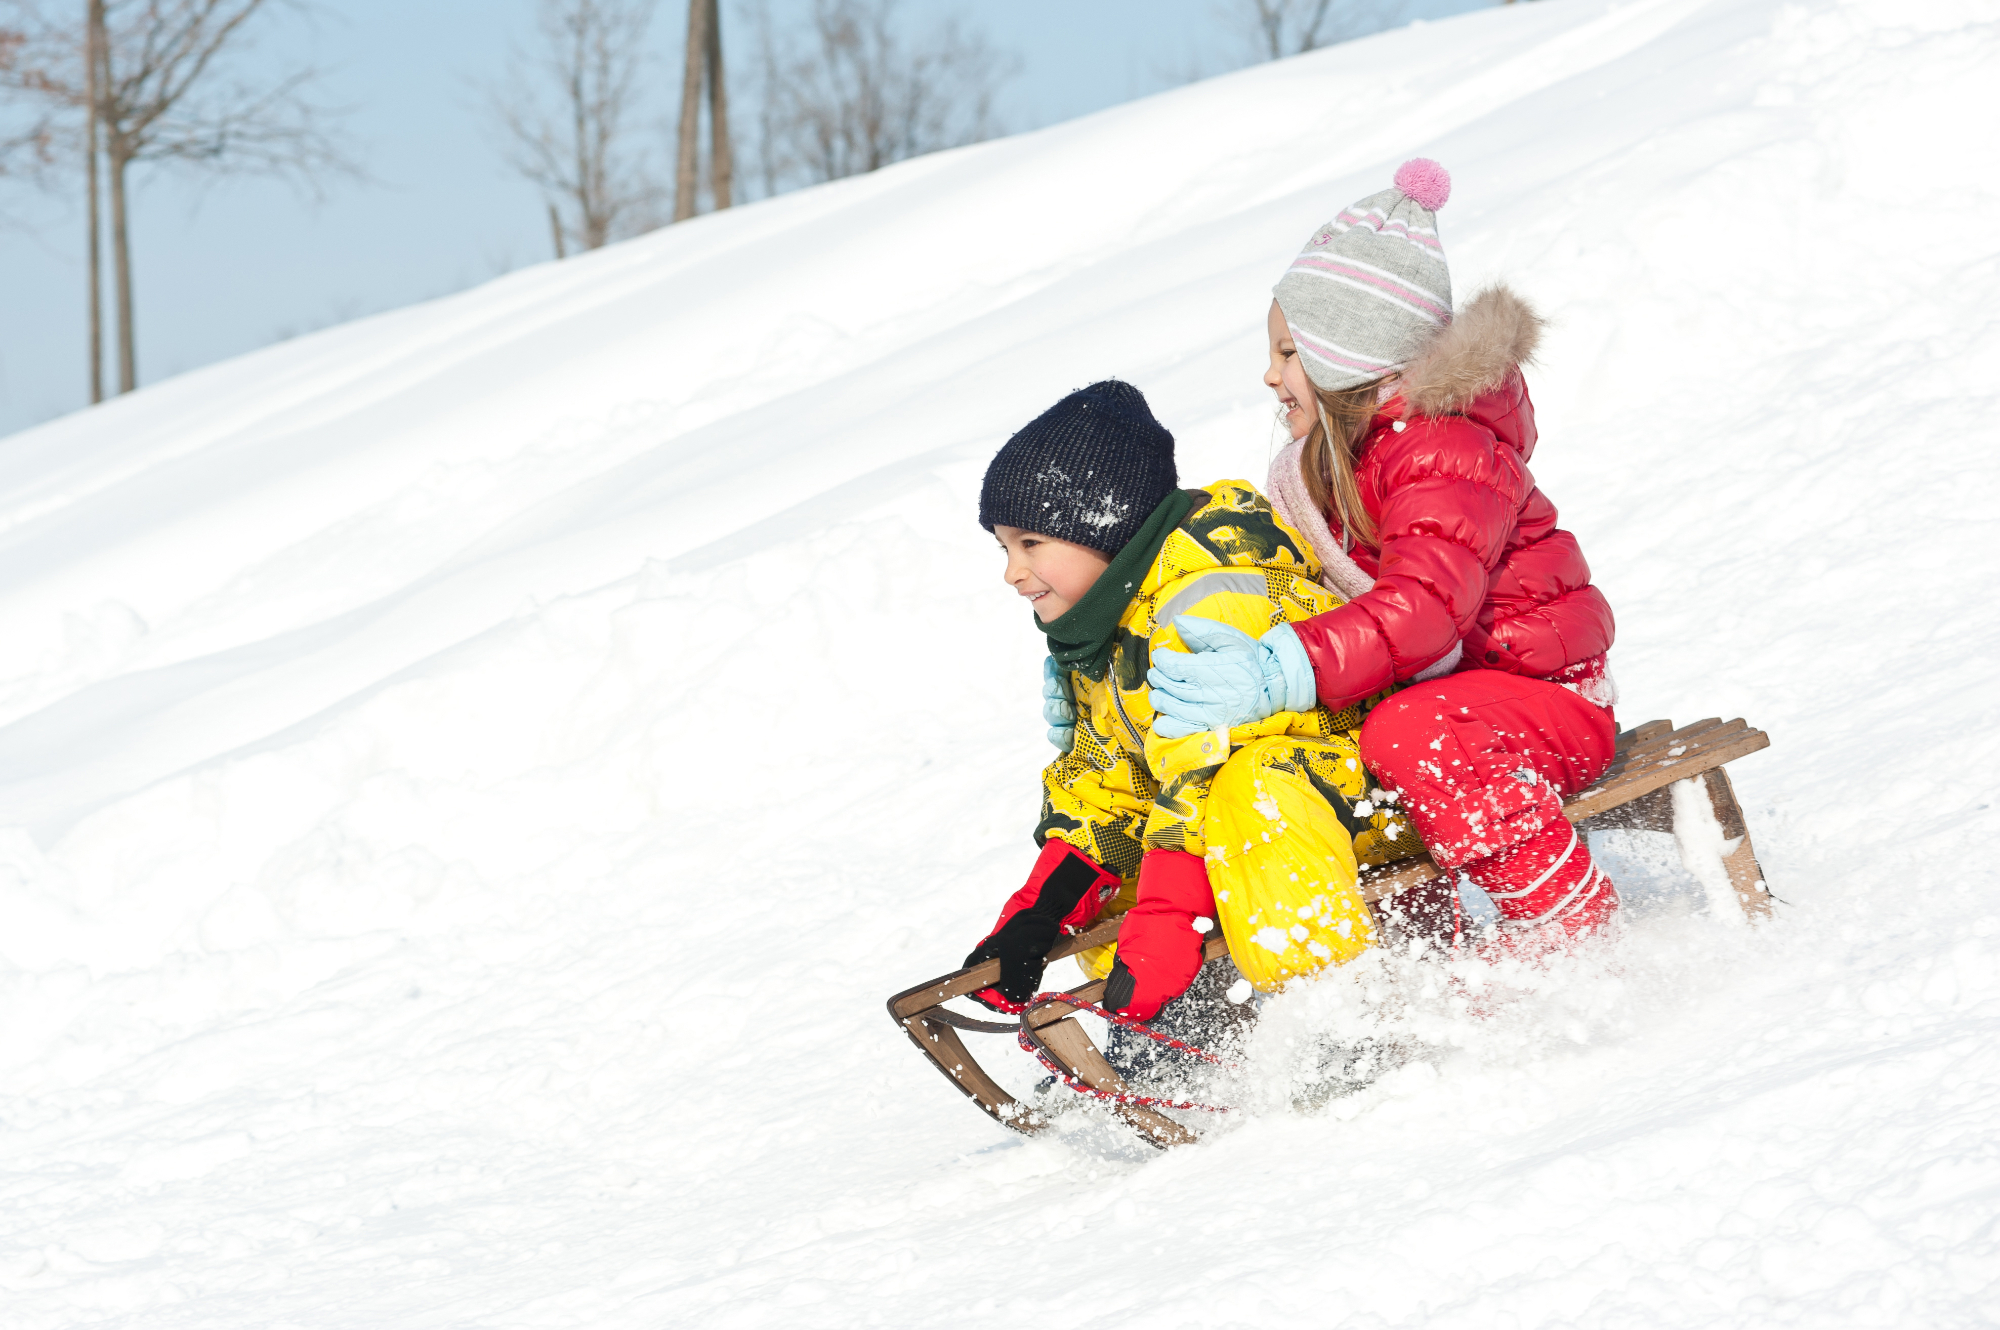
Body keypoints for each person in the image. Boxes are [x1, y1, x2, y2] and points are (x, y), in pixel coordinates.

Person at [1144, 160, 1622, 958]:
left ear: (1346, 358)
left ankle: (1569, 920)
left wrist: (1281, 668)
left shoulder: (1443, 450)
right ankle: (1425, 956)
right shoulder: (1347, 463)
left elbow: (1424, 609)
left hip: (1544, 703)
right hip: (1468, 702)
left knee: (1401, 728)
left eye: (1289, 353)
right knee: (1349, 738)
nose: (1270, 375)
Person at [962, 380, 1424, 1025]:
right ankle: (1188, 1024)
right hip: (1263, 818)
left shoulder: (1207, 599)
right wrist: (1038, 915)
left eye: (1030, 544)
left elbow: (1209, 772)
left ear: (1106, 525)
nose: (1012, 572)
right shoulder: (1100, 630)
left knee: (1251, 791)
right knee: (1116, 878)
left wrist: (1168, 919)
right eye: (1004, 548)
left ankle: (1333, 1013)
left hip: (1367, 798)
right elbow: (1107, 786)